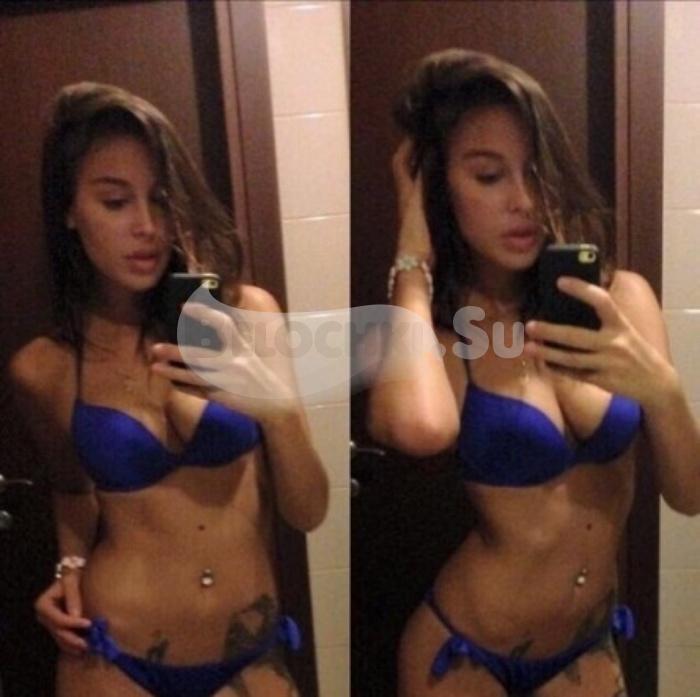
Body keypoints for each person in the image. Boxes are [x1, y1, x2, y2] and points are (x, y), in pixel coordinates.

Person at [368, 49, 700, 697]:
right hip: (464, 656)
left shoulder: (621, 299)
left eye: (536, 171)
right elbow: (418, 427)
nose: (524, 201)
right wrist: (411, 258)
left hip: (586, 647)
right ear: (438, 189)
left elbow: (689, 495)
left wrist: (662, 390)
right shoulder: (447, 332)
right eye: (489, 176)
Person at [8, 82, 329, 697]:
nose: (148, 226)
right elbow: (72, 490)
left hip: (247, 654)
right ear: (70, 211)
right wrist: (70, 566)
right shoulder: (44, 367)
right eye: (115, 201)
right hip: (112, 659)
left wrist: (278, 409)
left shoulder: (245, 316)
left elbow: (308, 511)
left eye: (160, 198)